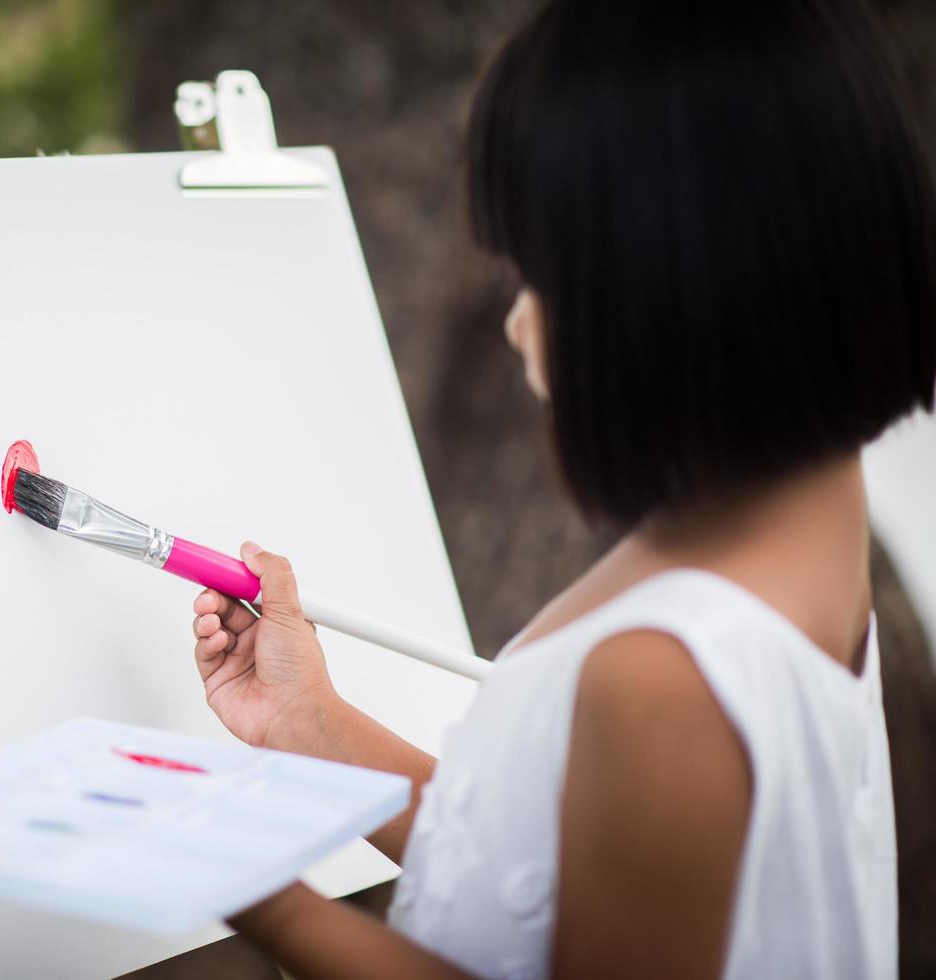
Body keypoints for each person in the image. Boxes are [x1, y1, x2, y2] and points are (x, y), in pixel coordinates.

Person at [188, 1, 936, 976]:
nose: (513, 324)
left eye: (532, 276)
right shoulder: (804, 516)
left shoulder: (659, 673)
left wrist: (253, 890)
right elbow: (556, 871)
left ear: (658, 279)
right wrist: (308, 724)